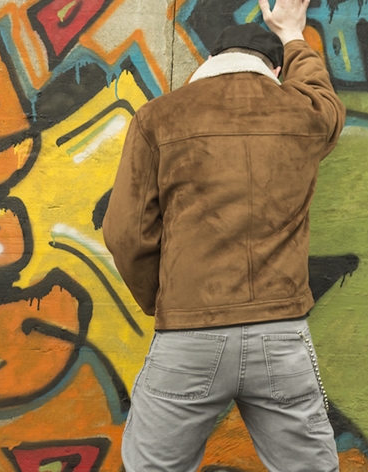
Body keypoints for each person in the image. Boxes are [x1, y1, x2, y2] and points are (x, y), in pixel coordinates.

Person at [102, 0, 346, 469]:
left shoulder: (157, 118)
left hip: (188, 334)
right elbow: (321, 93)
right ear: (274, 69)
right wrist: (294, 34)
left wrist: (168, 301)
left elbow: (125, 234)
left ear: (208, 64)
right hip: (281, 336)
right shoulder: (304, 113)